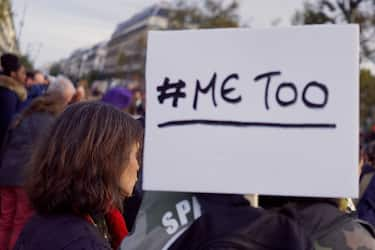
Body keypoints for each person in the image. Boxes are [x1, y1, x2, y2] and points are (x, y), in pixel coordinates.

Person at [14, 102, 143, 250]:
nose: (138, 165)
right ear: (109, 159)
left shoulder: (45, 220)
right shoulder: (82, 242)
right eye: (135, 154)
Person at [0, 77, 76, 250]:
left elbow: (7, 140)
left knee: (4, 221)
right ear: (63, 98)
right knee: (19, 224)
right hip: (26, 179)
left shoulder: (30, 108)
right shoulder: (53, 121)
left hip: (7, 173)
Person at [0, 53, 27, 147]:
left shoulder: (10, 92)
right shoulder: (9, 95)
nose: (25, 76)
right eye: (22, 73)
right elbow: (5, 127)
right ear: (13, 74)